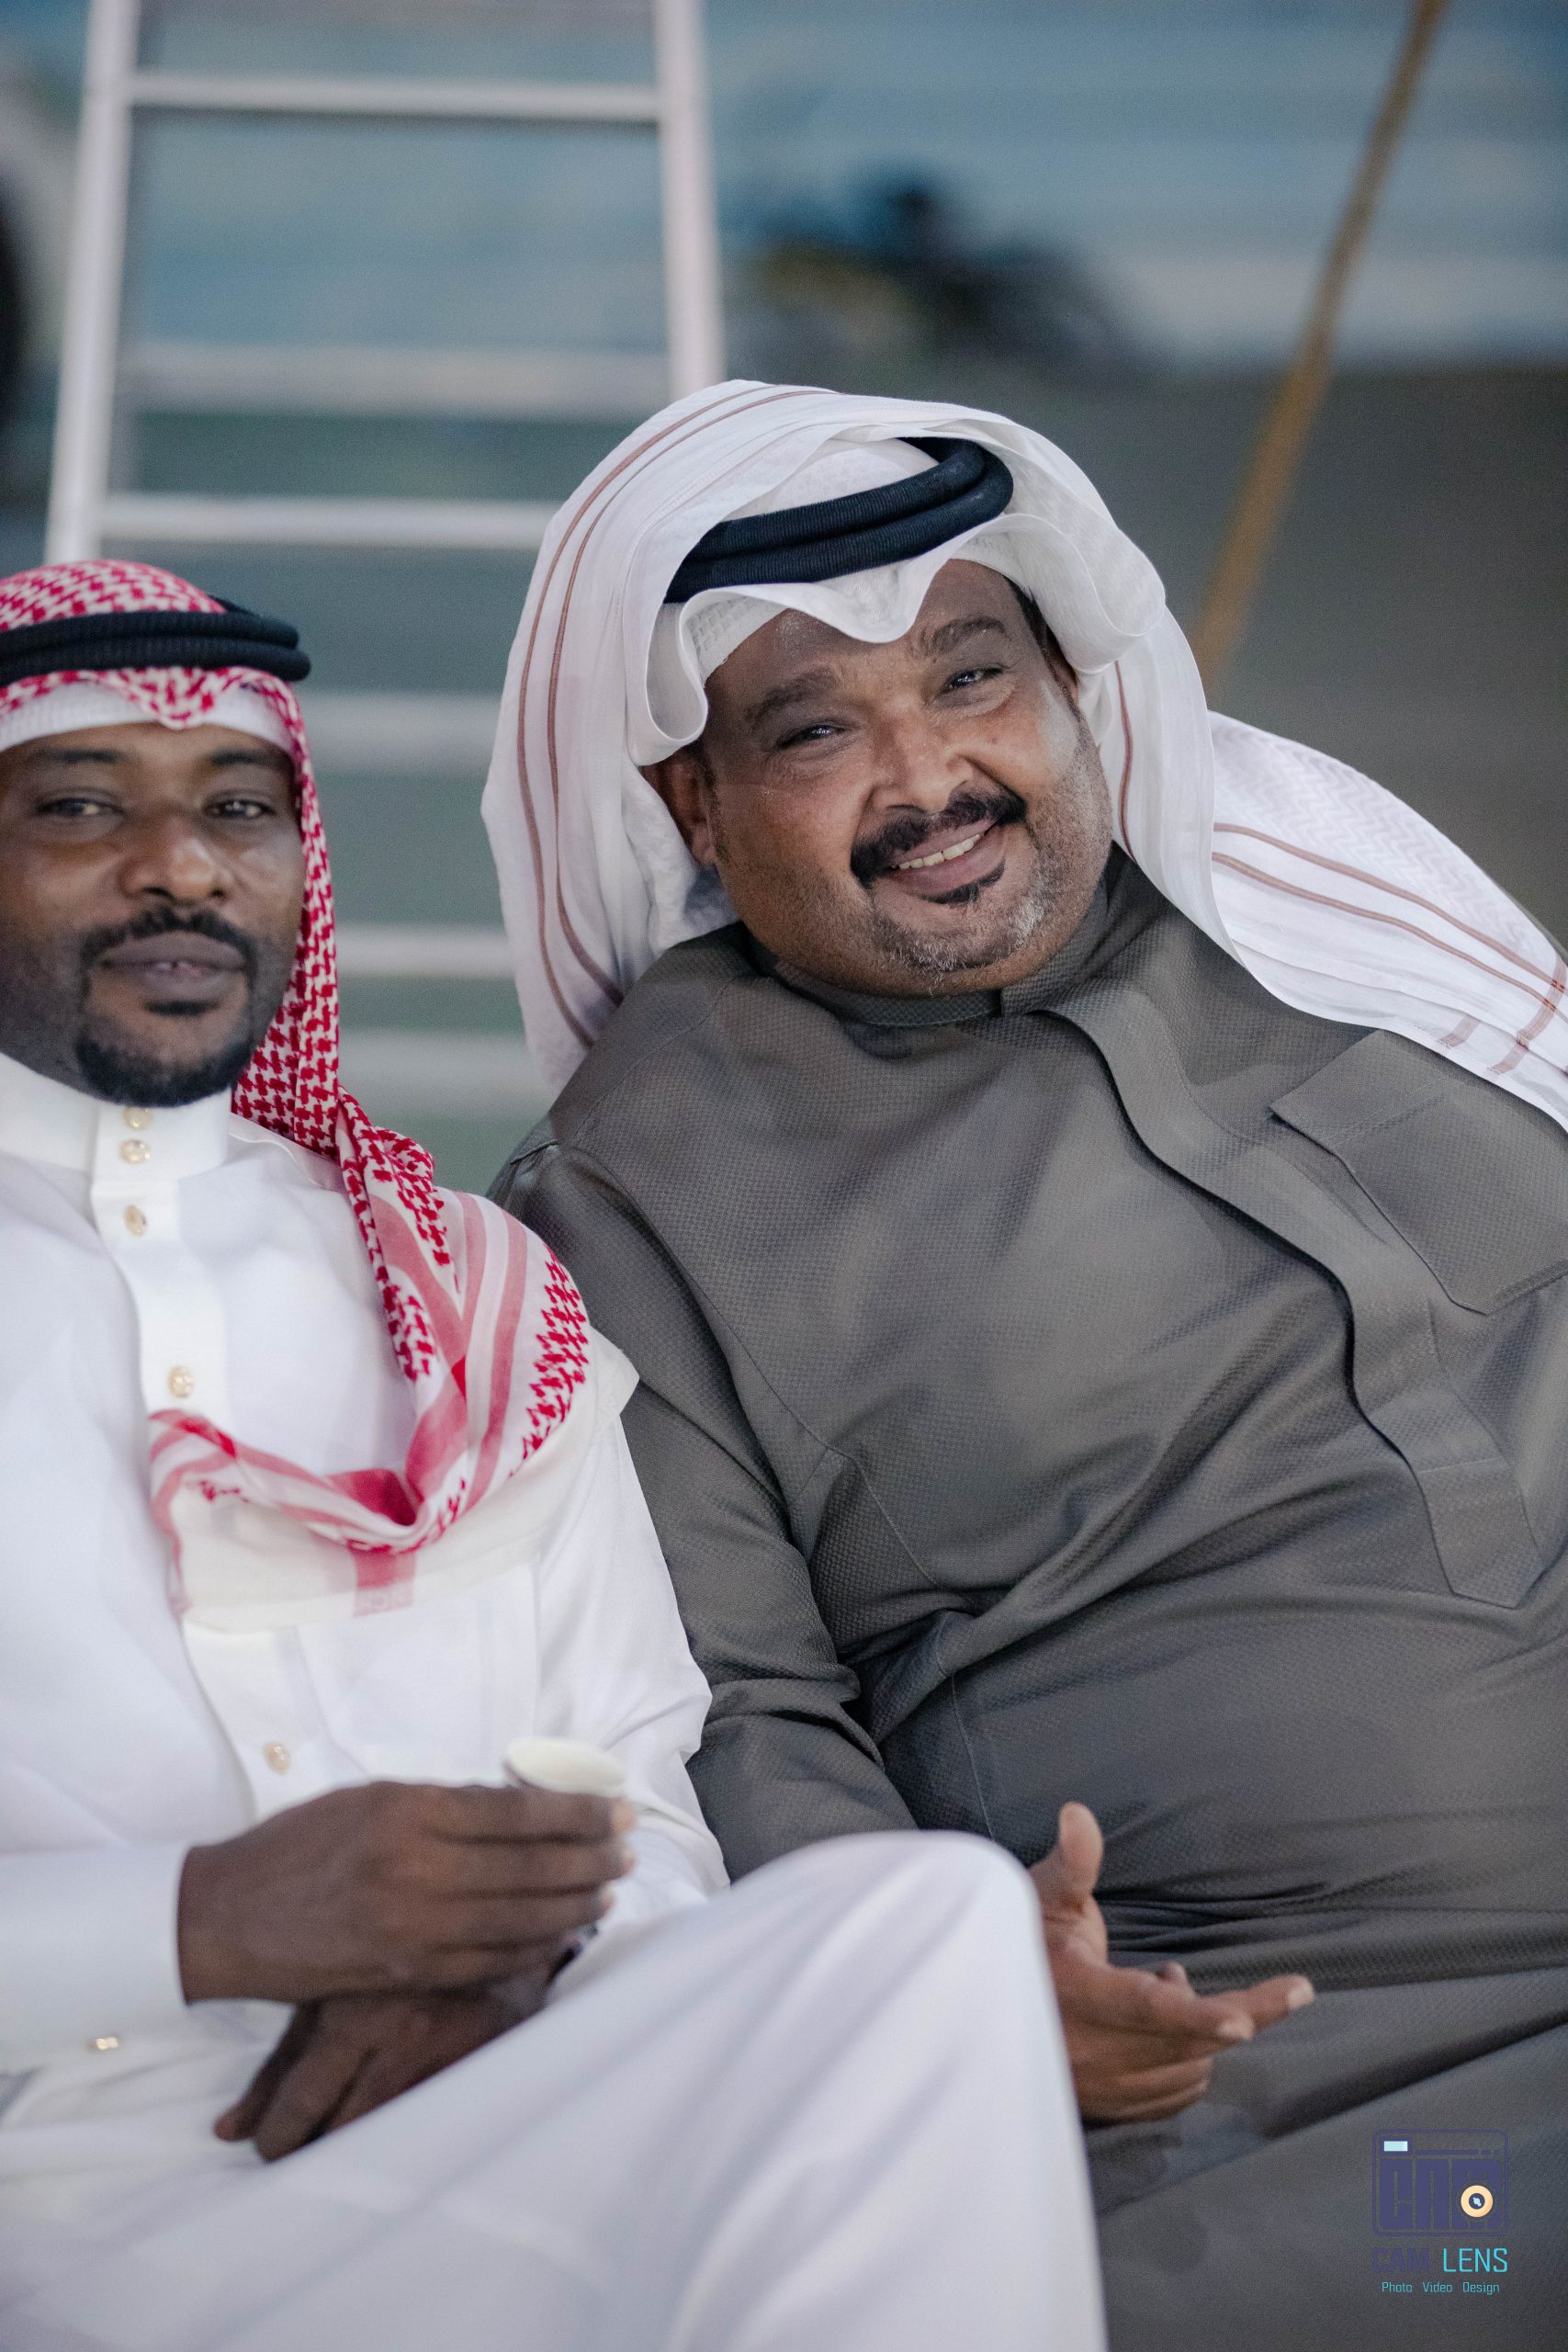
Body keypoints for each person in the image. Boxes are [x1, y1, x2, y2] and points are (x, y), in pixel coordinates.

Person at [484, 385, 1568, 2346]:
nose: (931, 777)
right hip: (1334, 2065)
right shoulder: (643, 1186)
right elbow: (724, 1707)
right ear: (691, 806)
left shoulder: (1326, 921)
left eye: (970, 677)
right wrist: (967, 1990)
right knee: (1459, 2282)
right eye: (815, 729)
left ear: (1072, 685)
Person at [0, 558, 1105, 2352]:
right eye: (78, 807)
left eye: (238, 810)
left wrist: (524, 1953)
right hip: (70, 2200)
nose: (182, 866)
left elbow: (644, 1794)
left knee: (927, 1925)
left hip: (508, 2120)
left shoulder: (462, 1280)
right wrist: (198, 1922)